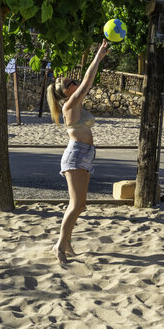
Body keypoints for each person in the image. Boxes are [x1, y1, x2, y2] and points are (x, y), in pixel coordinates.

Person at [46, 39, 112, 266]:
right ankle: (59, 245)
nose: (75, 83)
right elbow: (87, 81)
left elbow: (85, 84)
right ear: (67, 92)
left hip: (85, 155)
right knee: (75, 205)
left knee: (81, 205)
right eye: (70, 82)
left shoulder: (78, 104)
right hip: (75, 155)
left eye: (73, 80)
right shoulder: (69, 105)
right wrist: (98, 57)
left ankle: (67, 242)